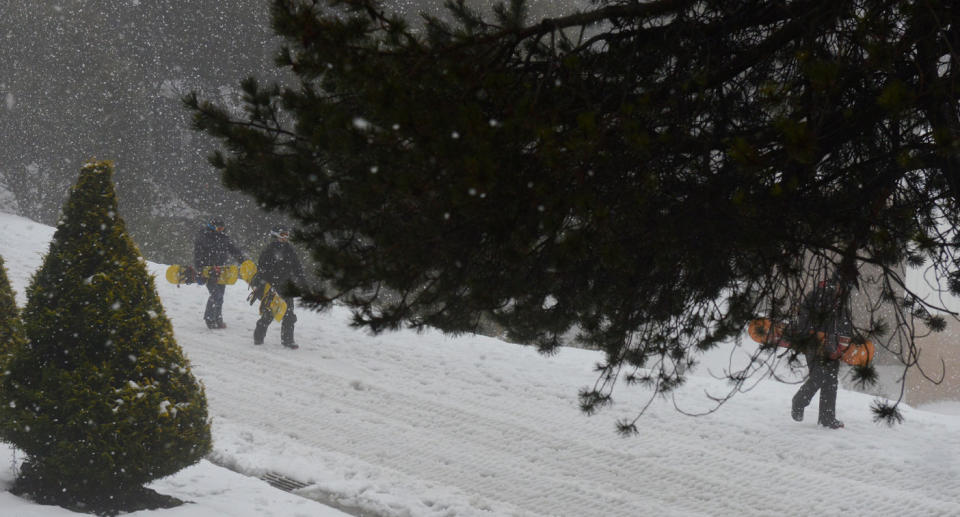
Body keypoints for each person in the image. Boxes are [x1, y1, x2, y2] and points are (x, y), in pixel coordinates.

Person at [790, 275, 853, 429]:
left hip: (834, 345)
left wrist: (845, 342)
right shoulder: (818, 295)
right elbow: (804, 316)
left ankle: (827, 418)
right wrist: (810, 334)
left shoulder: (840, 302)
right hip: (814, 343)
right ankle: (799, 401)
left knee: (831, 381)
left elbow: (845, 324)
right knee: (819, 375)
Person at [252, 227, 307, 349]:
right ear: (276, 235)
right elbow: (261, 270)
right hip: (272, 286)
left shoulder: (289, 250)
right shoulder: (268, 250)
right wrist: (261, 284)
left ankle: (288, 340)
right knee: (270, 313)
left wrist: (302, 282)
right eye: (282, 235)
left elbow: (297, 268)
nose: (285, 238)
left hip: (286, 286)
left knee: (289, 314)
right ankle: (258, 336)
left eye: (287, 235)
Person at [194, 216, 246, 329]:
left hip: (222, 270)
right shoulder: (203, 237)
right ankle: (209, 318)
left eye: (223, 228)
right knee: (215, 294)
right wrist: (200, 270)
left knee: (220, 295)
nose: (221, 230)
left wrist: (243, 261)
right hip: (208, 270)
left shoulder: (224, 237)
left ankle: (218, 318)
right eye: (219, 229)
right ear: (212, 227)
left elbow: (234, 250)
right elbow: (197, 255)